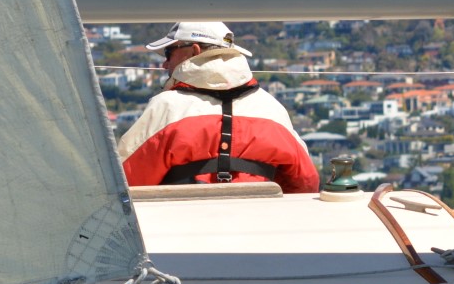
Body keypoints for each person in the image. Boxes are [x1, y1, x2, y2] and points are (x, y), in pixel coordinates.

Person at [118, 20, 319, 193]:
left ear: (193, 51)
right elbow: (306, 182)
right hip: (260, 227)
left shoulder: (167, 108)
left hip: (182, 228)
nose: (164, 64)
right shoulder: (271, 109)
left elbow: (123, 181)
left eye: (168, 53)